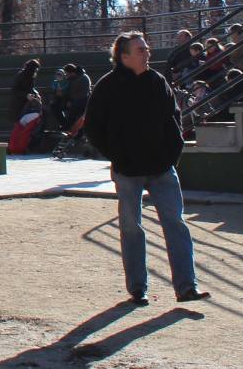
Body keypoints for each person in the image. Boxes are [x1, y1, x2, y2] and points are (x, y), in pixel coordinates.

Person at [84, 31, 210, 305]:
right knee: (132, 227)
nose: (147, 53)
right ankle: (138, 288)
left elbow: (173, 120)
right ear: (124, 56)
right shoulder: (107, 86)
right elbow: (93, 127)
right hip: (128, 171)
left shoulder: (157, 82)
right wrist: (118, 156)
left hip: (162, 168)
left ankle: (187, 287)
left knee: (176, 224)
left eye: (146, 48)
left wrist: (171, 154)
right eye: (140, 49)